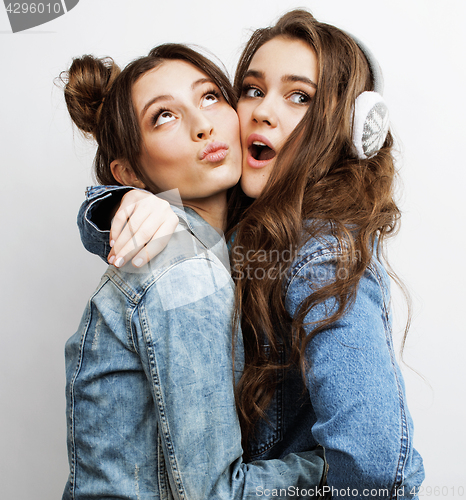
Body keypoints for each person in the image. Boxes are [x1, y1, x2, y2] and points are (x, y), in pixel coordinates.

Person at [76, 10, 425, 499]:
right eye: (253, 90)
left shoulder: (318, 253)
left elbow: (376, 467)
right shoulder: (229, 239)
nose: (261, 111)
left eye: (299, 96)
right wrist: (125, 202)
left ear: (349, 126)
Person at [62, 43, 328, 500]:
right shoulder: (184, 268)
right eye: (164, 116)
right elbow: (215, 494)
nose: (203, 125)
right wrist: (339, 467)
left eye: (209, 97)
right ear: (130, 173)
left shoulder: (226, 248)